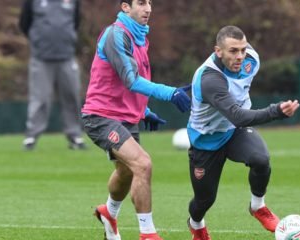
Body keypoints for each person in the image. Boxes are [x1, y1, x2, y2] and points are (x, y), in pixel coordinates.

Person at [81, 0, 191, 240]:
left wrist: (144, 111)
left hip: (125, 118)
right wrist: (170, 93)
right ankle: (148, 234)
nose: (148, 8)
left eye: (150, 2)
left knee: (126, 172)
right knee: (143, 164)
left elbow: (123, 84)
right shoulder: (116, 35)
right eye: (141, 2)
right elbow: (131, 80)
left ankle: (108, 213)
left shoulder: (139, 38)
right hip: (101, 117)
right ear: (125, 7)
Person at [186, 25, 300, 240]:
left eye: (242, 49)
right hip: (207, 140)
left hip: (234, 131)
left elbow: (236, 121)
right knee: (204, 200)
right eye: (233, 51)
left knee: (260, 159)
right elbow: (238, 115)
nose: (240, 56)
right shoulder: (210, 79)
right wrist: (275, 111)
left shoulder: (251, 59)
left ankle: (258, 206)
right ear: (218, 51)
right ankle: (196, 224)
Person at [19, 0, 86, 150]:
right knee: (40, 99)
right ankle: (31, 136)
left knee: (71, 96)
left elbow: (76, 22)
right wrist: (38, 42)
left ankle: (75, 136)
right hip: (41, 58)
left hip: (67, 57)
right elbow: (24, 23)